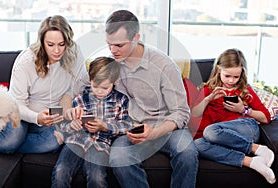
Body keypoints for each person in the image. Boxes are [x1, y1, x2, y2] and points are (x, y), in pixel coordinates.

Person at [105, 10, 198, 188]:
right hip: (133, 128)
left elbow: (181, 112)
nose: (112, 50)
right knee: (118, 157)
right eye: (109, 44)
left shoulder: (164, 65)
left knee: (187, 152)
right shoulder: (111, 64)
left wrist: (154, 133)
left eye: (119, 45)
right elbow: (90, 92)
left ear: (136, 38)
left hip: (167, 129)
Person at [0, 15, 87, 154]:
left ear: (68, 42)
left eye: (61, 44)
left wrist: (66, 108)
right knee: (7, 143)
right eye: (50, 45)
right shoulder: (26, 62)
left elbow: (76, 87)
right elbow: (16, 104)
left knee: (54, 142)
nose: (56, 51)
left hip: (51, 116)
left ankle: (17, 144)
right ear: (42, 42)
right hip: (22, 113)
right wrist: (36, 118)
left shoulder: (75, 53)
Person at [192, 48, 276, 184]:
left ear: (242, 73)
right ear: (219, 70)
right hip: (222, 137)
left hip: (246, 129)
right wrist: (207, 99)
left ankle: (259, 149)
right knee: (197, 144)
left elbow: (265, 117)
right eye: (227, 76)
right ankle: (252, 162)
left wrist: (243, 110)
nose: (231, 81)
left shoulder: (245, 90)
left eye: (236, 77)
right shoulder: (208, 90)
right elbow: (194, 114)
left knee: (210, 131)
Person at [51, 56, 132, 188]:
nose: (99, 91)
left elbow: (126, 126)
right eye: (95, 86)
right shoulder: (80, 98)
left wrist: (105, 126)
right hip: (76, 141)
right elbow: (64, 125)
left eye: (105, 87)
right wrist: (72, 125)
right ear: (90, 80)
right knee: (60, 171)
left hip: (100, 145)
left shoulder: (121, 101)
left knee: (97, 177)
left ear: (115, 81)